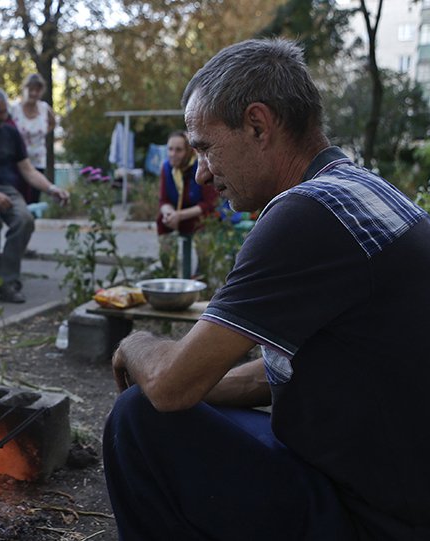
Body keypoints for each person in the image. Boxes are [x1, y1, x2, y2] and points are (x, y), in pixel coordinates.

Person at [103, 38, 430, 540]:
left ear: (258, 124)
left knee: (139, 417)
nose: (204, 174)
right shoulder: (363, 190)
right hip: (398, 487)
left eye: (206, 148)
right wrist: (200, 380)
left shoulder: (305, 213)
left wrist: (137, 343)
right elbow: (292, 368)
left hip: (370, 515)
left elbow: (169, 387)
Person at [0, 86, 69, 303]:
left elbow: (27, 170)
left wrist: (51, 188)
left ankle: (4, 280)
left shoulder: (10, 134)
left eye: (5, 111)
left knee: (25, 220)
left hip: (7, 190)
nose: (4, 117)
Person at [156, 130, 217, 277]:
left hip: (199, 217)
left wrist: (180, 215)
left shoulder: (200, 167)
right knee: (162, 221)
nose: (173, 154)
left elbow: (209, 204)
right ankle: (168, 271)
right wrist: (168, 213)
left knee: (205, 232)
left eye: (178, 150)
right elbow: (164, 200)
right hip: (177, 216)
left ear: (188, 151)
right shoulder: (166, 168)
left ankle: (202, 276)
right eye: (170, 149)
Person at [8, 73, 56, 204]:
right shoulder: (14, 109)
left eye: (37, 90)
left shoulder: (44, 108)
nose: (34, 93)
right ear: (24, 89)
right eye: (31, 89)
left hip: (37, 160)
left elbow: (53, 123)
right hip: (17, 161)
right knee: (18, 198)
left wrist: (43, 132)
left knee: (34, 199)